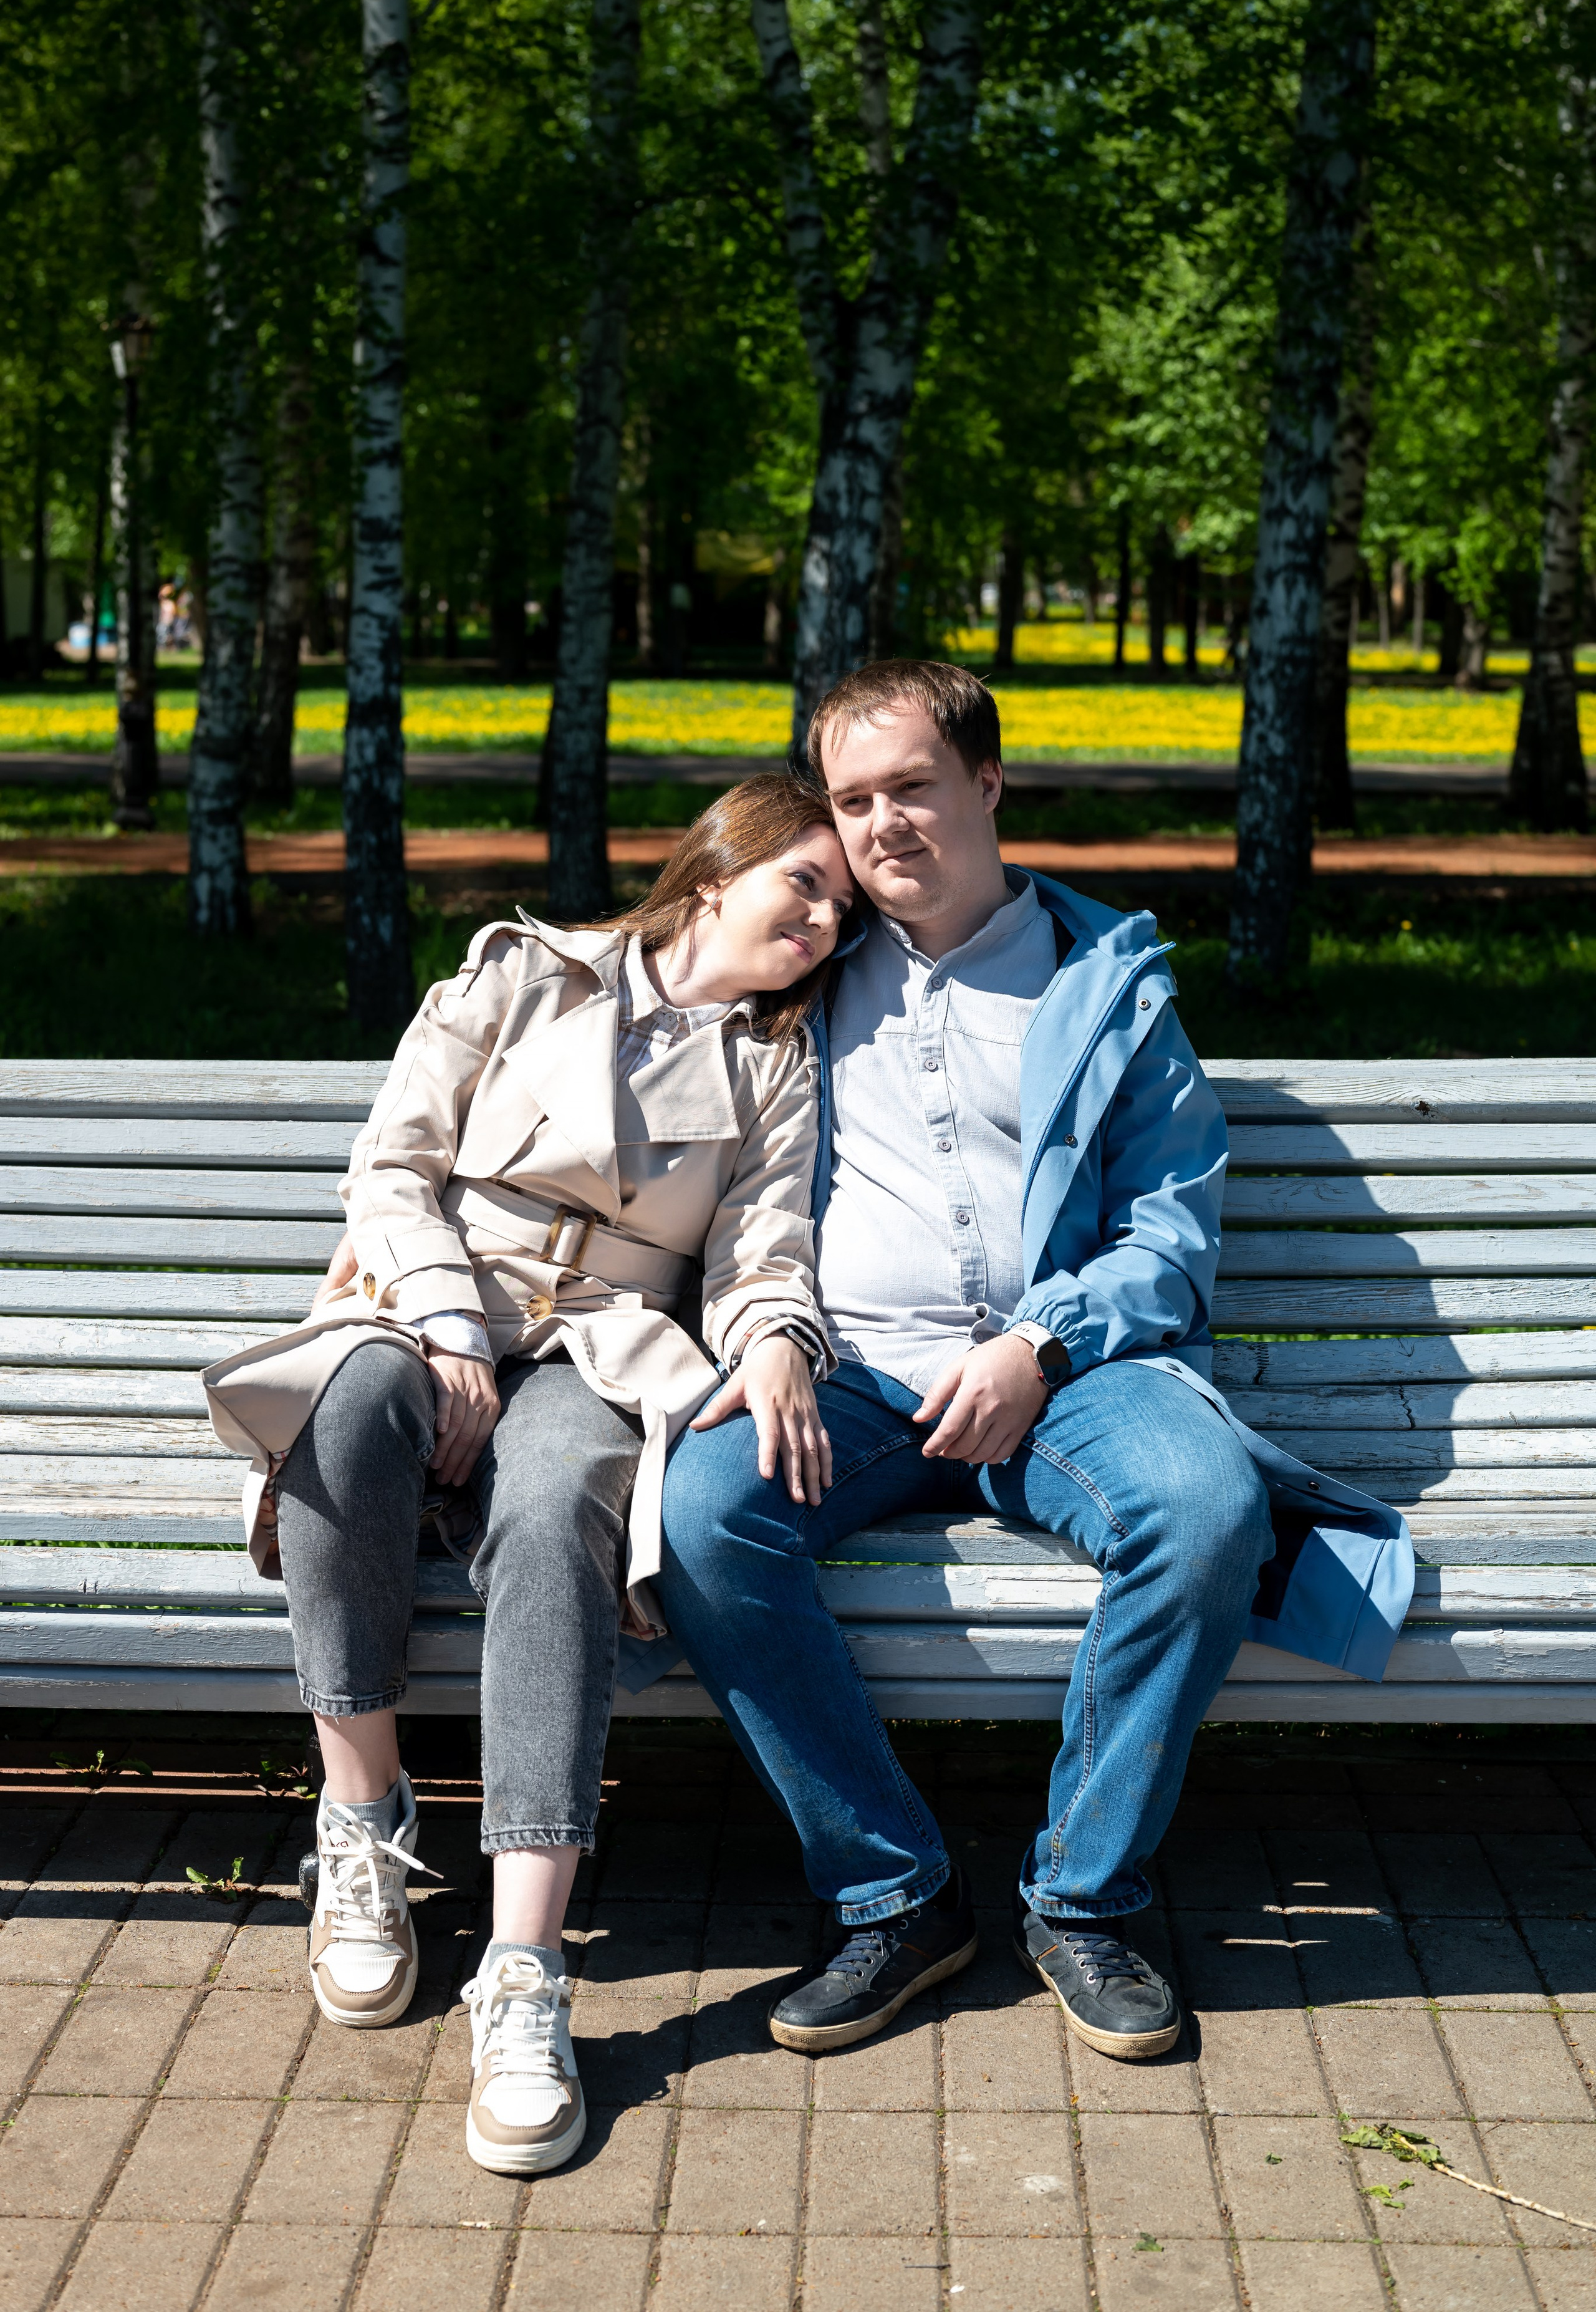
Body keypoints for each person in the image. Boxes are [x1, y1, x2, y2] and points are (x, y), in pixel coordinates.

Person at [659, 660, 1414, 2064]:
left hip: (1072, 1376)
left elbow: (1169, 1232)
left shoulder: (1105, 982)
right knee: (702, 1516)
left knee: (1198, 1510)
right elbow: (636, 1050)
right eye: (850, 798)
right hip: (851, 1375)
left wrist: (1038, 1342)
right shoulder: (803, 969)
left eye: (911, 787)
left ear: (986, 785)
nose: (880, 825)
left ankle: (1080, 1900)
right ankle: (892, 1892)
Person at [203, 775, 852, 2176]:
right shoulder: (519, 972)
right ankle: (366, 1825)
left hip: (599, 1349)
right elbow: (393, 1166)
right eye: (800, 882)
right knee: (348, 1404)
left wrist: (779, 1338)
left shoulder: (772, 1063)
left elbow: (758, 1250)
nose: (821, 917)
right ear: (710, 876)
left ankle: (522, 1970)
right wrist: (444, 1327)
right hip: (423, 1301)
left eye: (839, 904)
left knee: (561, 1500)